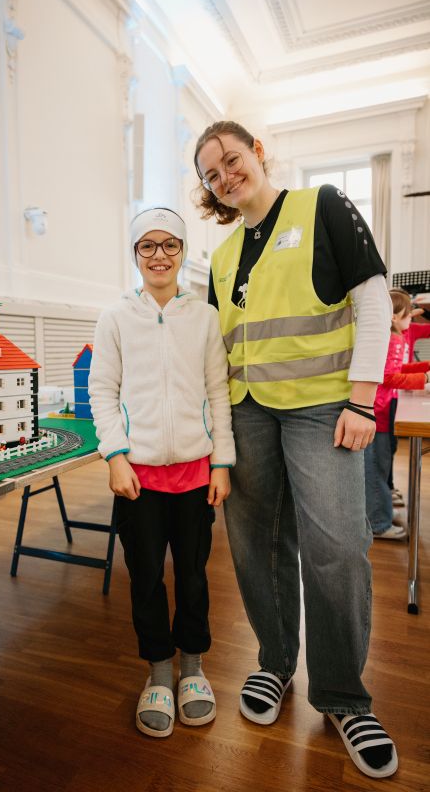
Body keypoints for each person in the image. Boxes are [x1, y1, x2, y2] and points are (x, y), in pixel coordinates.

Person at [194, 120, 398, 779]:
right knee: (256, 544)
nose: (225, 177)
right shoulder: (222, 258)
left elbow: (372, 299)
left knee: (336, 547)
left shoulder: (322, 206)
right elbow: (218, 350)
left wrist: (362, 399)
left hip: (322, 408)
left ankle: (342, 695)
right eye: (211, 175)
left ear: (257, 152)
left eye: (231, 160)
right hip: (247, 412)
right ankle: (275, 661)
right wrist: (217, 433)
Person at [88, 207, 235, 739]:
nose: (159, 255)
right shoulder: (115, 317)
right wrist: (115, 455)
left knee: (193, 576)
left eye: (169, 244)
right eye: (147, 245)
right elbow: (102, 391)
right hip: (138, 479)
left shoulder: (205, 317)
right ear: (135, 254)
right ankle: (157, 673)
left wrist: (221, 461)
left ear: (183, 251)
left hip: (196, 476)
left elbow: (218, 392)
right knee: (146, 578)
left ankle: (192, 668)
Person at [365, 289, 430, 538]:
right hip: (379, 412)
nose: (411, 317)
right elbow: (389, 376)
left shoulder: (393, 337)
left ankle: (380, 511)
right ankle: (379, 522)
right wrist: (424, 377)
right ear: (393, 317)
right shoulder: (393, 339)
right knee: (377, 468)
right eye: (408, 314)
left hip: (382, 410)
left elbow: (397, 368)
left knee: (380, 465)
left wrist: (424, 367)